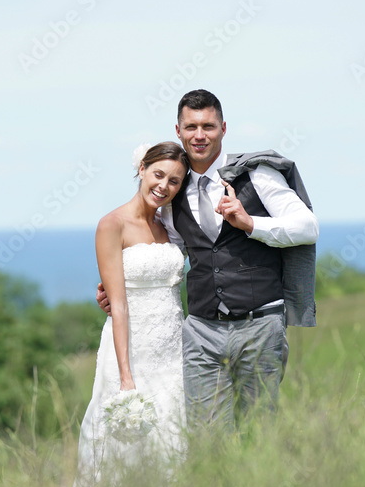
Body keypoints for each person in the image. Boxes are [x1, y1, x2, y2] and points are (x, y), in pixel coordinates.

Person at [98, 89, 319, 431]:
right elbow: (167, 249)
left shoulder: (256, 175)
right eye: (191, 127)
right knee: (205, 438)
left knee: (258, 434)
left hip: (259, 324)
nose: (199, 135)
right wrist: (121, 285)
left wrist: (250, 224)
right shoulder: (173, 193)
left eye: (208, 126)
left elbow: (308, 227)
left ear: (223, 128)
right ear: (178, 131)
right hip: (201, 331)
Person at [76, 141, 190, 487]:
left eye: (174, 181)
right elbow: (120, 303)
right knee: (127, 447)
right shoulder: (112, 225)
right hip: (132, 350)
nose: (164, 186)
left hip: (173, 351)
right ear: (141, 170)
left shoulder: (168, 227)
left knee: (172, 440)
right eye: (158, 174)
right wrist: (126, 376)